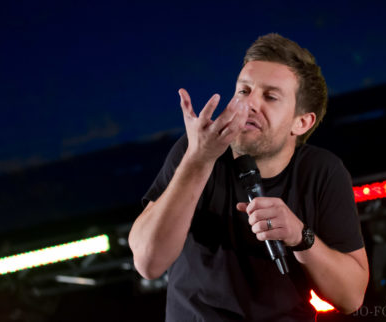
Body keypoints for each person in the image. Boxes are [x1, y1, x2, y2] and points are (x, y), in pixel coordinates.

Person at [128, 33, 369, 321]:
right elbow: (148, 263)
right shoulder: (197, 150)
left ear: (301, 122)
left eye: (270, 96)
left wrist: (299, 236)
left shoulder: (322, 172)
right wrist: (198, 159)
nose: (249, 104)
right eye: (244, 91)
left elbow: (351, 297)